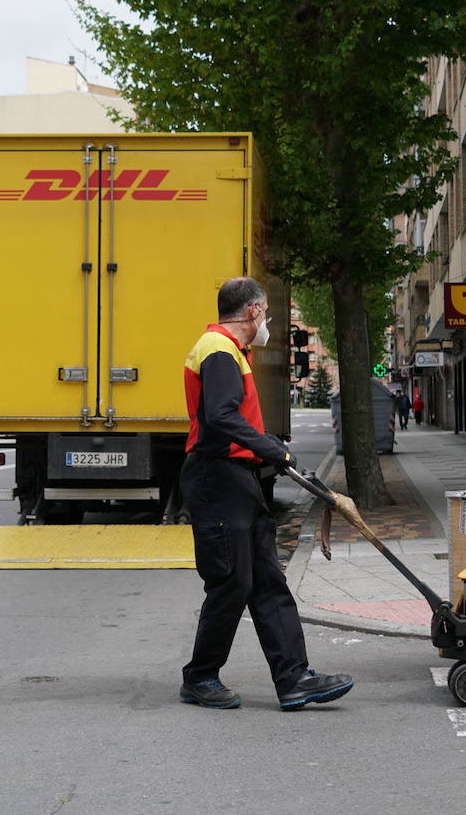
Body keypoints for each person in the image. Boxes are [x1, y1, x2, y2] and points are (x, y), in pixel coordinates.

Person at [179, 277, 354, 710]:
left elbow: (229, 418)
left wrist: (264, 452)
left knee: (266, 580)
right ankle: (199, 677)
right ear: (254, 311)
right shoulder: (218, 350)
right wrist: (270, 446)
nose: (267, 322)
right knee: (232, 581)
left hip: (235, 477)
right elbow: (220, 417)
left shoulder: (230, 351)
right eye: (267, 313)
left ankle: (294, 679)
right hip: (216, 478)